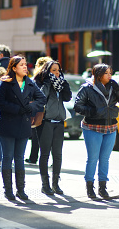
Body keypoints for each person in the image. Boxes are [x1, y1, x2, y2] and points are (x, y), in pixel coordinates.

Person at [0, 56, 46, 201]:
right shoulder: (6, 82)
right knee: (8, 157)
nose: (25, 67)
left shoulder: (30, 83)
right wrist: (17, 109)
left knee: (20, 158)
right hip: (7, 124)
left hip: (23, 124)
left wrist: (30, 107)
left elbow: (42, 99)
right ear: (14, 68)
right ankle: (8, 190)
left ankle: (21, 190)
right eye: (21, 65)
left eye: (25, 64)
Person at [74, 63, 119, 199]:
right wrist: (92, 112)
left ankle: (103, 188)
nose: (110, 76)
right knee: (93, 158)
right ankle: (89, 187)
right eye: (107, 73)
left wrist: (118, 90)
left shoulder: (113, 87)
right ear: (99, 75)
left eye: (111, 73)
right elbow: (77, 106)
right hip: (92, 127)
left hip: (110, 127)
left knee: (105, 159)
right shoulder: (87, 88)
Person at [33, 60, 72, 195]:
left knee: (58, 154)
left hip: (59, 122)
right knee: (44, 154)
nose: (56, 73)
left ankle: (55, 184)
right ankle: (45, 185)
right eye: (53, 70)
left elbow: (67, 98)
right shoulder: (41, 82)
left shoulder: (61, 83)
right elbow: (41, 97)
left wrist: (64, 85)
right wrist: (48, 83)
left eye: (58, 70)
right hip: (46, 122)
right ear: (47, 70)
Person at [25, 56, 53, 164]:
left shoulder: (37, 78)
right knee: (49, 136)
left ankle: (33, 158)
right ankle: (47, 158)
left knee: (36, 135)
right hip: (51, 110)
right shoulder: (53, 78)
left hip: (39, 110)